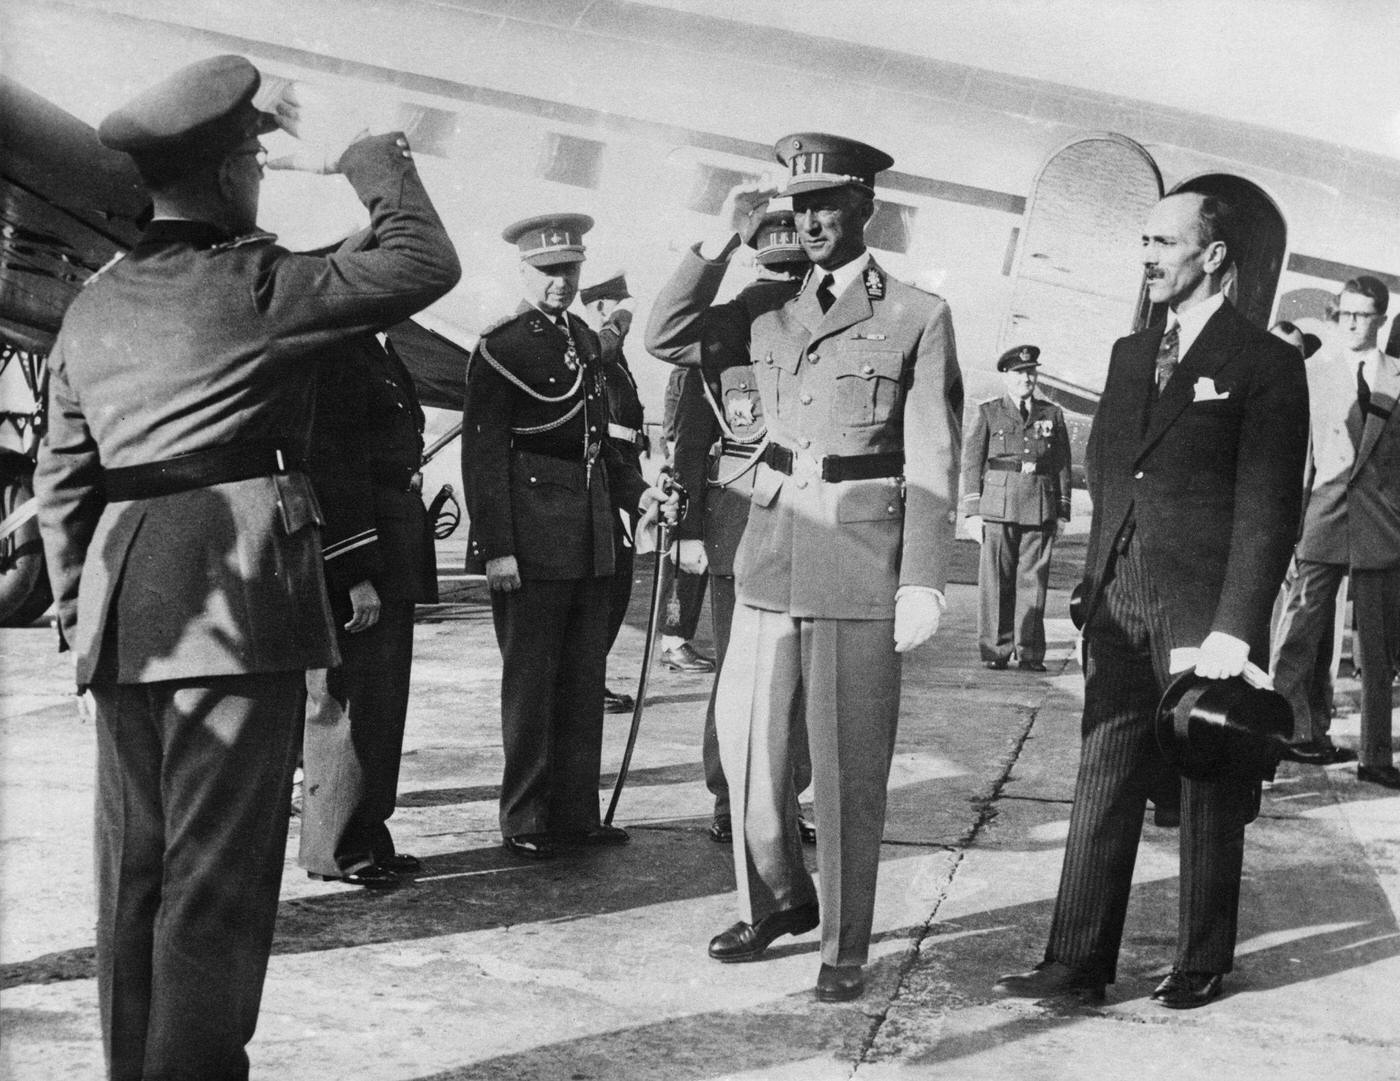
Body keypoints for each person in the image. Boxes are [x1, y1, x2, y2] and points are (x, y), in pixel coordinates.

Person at [32, 55, 460, 1081]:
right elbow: (420, 259)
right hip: (238, 607)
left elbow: (61, 483)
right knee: (214, 879)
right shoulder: (258, 285)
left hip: (125, 612)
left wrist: (75, 617)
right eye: (257, 163)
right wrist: (368, 154)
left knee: (134, 873)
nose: (261, 179)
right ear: (230, 173)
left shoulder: (92, 309)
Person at [647, 133, 963, 1002]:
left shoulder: (914, 314)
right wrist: (718, 236)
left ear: (866, 207)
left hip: (859, 564)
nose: (811, 220)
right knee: (752, 760)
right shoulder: (761, 311)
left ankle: (844, 946)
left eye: (828, 204)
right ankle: (779, 899)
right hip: (769, 555)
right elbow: (663, 333)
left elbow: (934, 457)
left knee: (849, 771)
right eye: (798, 206)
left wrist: (923, 577)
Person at [993, 191, 1308, 1010]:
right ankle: (1076, 959)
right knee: (1103, 774)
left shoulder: (1266, 363)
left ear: (1212, 256)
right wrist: (1096, 582)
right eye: (1142, 238)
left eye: (1164, 241)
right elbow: (1109, 468)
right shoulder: (1131, 353)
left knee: (1208, 782)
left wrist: (1234, 628)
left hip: (1205, 614)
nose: (1146, 254)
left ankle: (1202, 956)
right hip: (1121, 601)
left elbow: (1270, 506)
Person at [462, 214, 674, 861]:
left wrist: (641, 495)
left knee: (583, 677)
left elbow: (601, 446)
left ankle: (576, 812)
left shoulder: (583, 337)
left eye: (570, 271)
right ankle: (525, 815)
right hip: (530, 539)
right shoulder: (502, 346)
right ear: (523, 272)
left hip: (589, 536)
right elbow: (483, 453)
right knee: (531, 681)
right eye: (549, 271)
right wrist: (497, 547)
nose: (560, 282)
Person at [651, 201, 816, 845]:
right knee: (742, 669)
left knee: (797, 670)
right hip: (738, 524)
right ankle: (730, 795)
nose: (782, 279)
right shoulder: (726, 323)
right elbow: (689, 424)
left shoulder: (830, 318)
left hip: (811, 521)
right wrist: (689, 529)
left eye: (792, 266)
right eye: (769, 259)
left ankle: (781, 796)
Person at [298, 325, 437, 889]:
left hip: (393, 543)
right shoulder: (335, 351)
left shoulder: (378, 347)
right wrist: (355, 574)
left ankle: (368, 836)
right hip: (362, 549)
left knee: (380, 704)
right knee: (347, 702)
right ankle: (337, 848)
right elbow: (333, 468)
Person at [1271, 277, 1400, 784]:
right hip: (1321, 519)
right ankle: (1282, 735)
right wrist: (1289, 531)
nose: (1350, 323)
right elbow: (1298, 457)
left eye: (1362, 315)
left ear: (1380, 320)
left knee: (1377, 651)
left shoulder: (1397, 377)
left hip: (1381, 528)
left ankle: (1375, 757)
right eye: (1344, 313)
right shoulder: (1311, 374)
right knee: (1298, 639)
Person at [960, 345, 1072, 671]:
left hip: (1039, 504)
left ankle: (1030, 652)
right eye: (1020, 373)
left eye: (1031, 371)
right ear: (1006, 376)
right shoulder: (988, 412)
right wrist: (972, 510)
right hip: (997, 506)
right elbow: (971, 463)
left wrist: (1062, 510)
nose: (1027, 378)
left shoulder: (1052, 414)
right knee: (996, 580)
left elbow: (1061, 464)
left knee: (1033, 582)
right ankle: (996, 650)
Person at [580, 271, 647, 714]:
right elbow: (602, 348)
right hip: (604, 477)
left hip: (624, 473)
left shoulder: (615, 358)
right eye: (619, 307)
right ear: (603, 307)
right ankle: (586, 681)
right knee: (606, 586)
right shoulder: (593, 345)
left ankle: (591, 677)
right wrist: (616, 323)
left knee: (619, 581)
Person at [657, 364, 715, 674]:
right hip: (692, 477)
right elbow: (678, 435)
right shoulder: (690, 371)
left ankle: (676, 639)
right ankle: (673, 641)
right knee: (685, 561)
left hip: (700, 472)